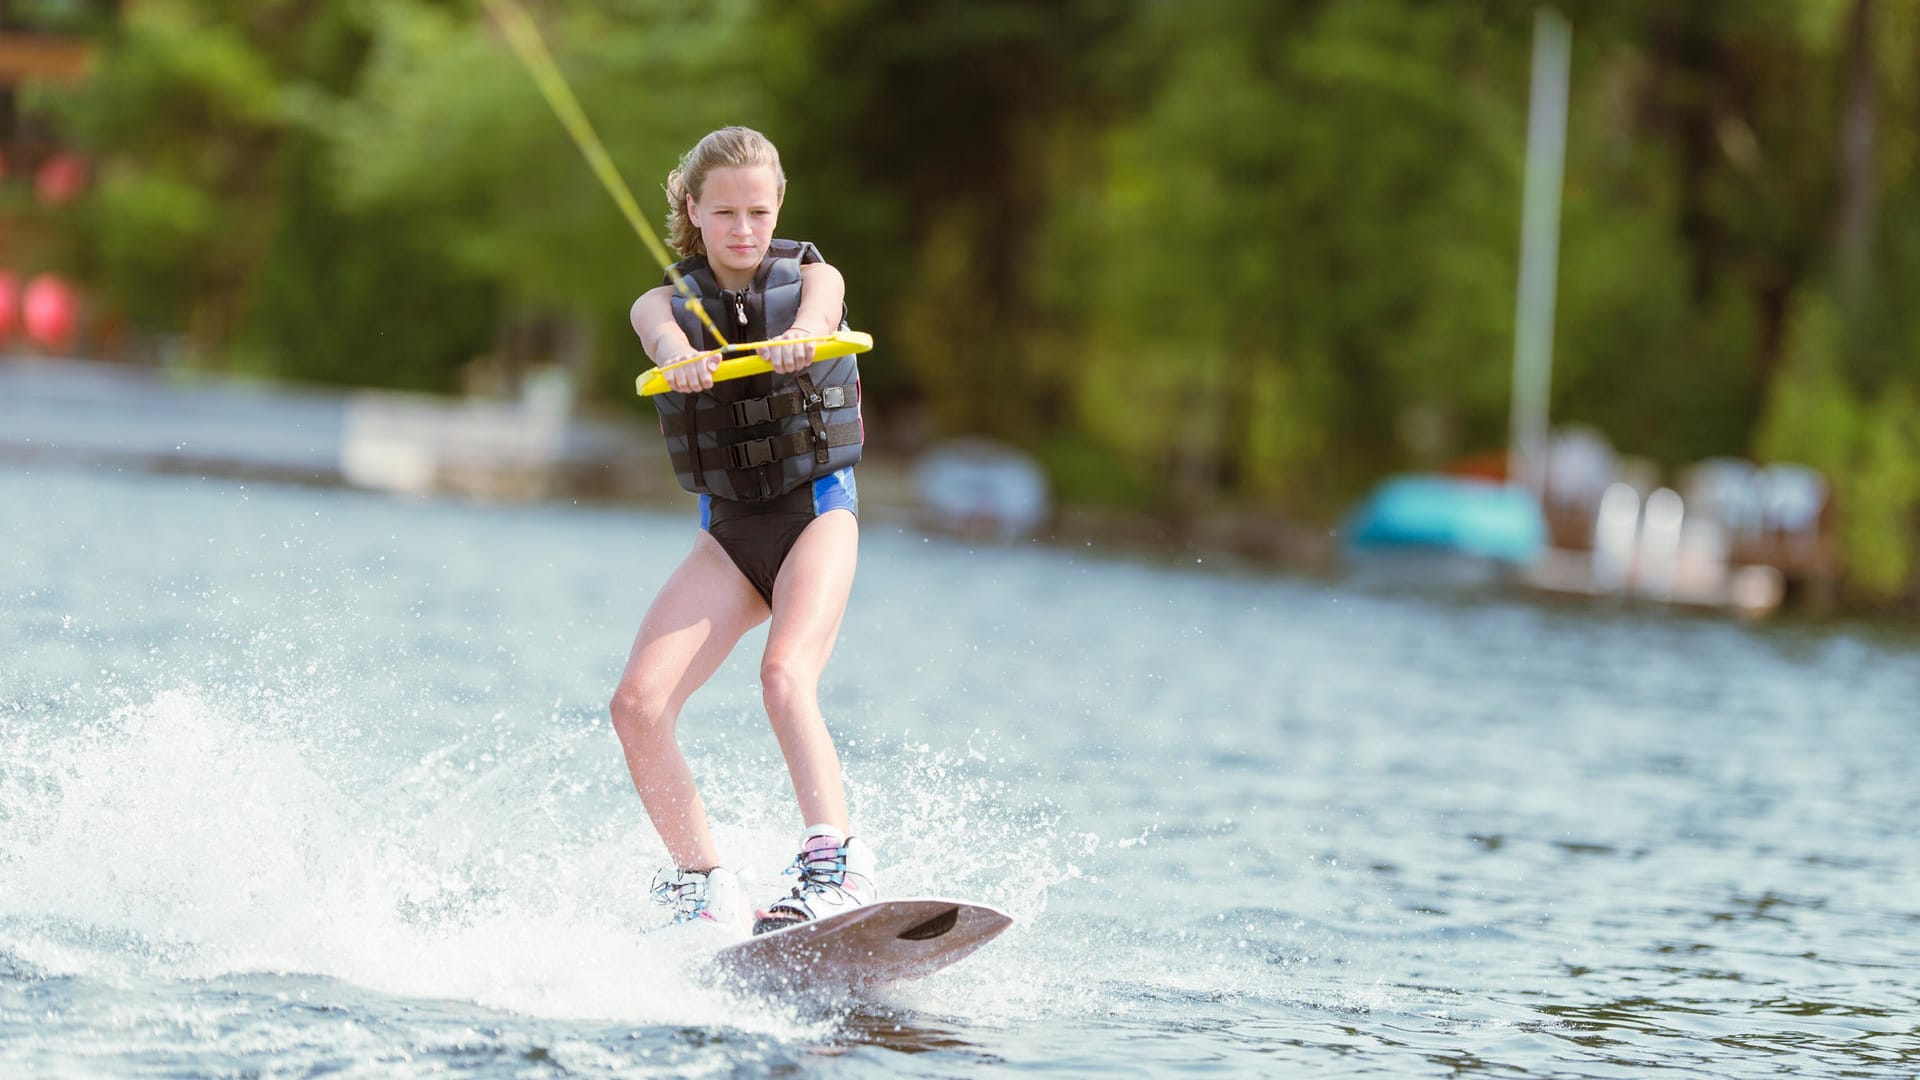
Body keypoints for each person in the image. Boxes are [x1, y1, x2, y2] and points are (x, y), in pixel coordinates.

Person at [611, 126, 875, 937]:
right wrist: (680, 355)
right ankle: (703, 883)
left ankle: (838, 866)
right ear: (694, 210)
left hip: (816, 516)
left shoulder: (811, 277)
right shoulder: (663, 301)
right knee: (637, 706)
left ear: (779, 207)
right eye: (724, 212)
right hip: (727, 538)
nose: (743, 229)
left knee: (783, 676)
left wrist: (803, 336)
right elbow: (655, 330)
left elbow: (823, 306)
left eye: (758, 211)